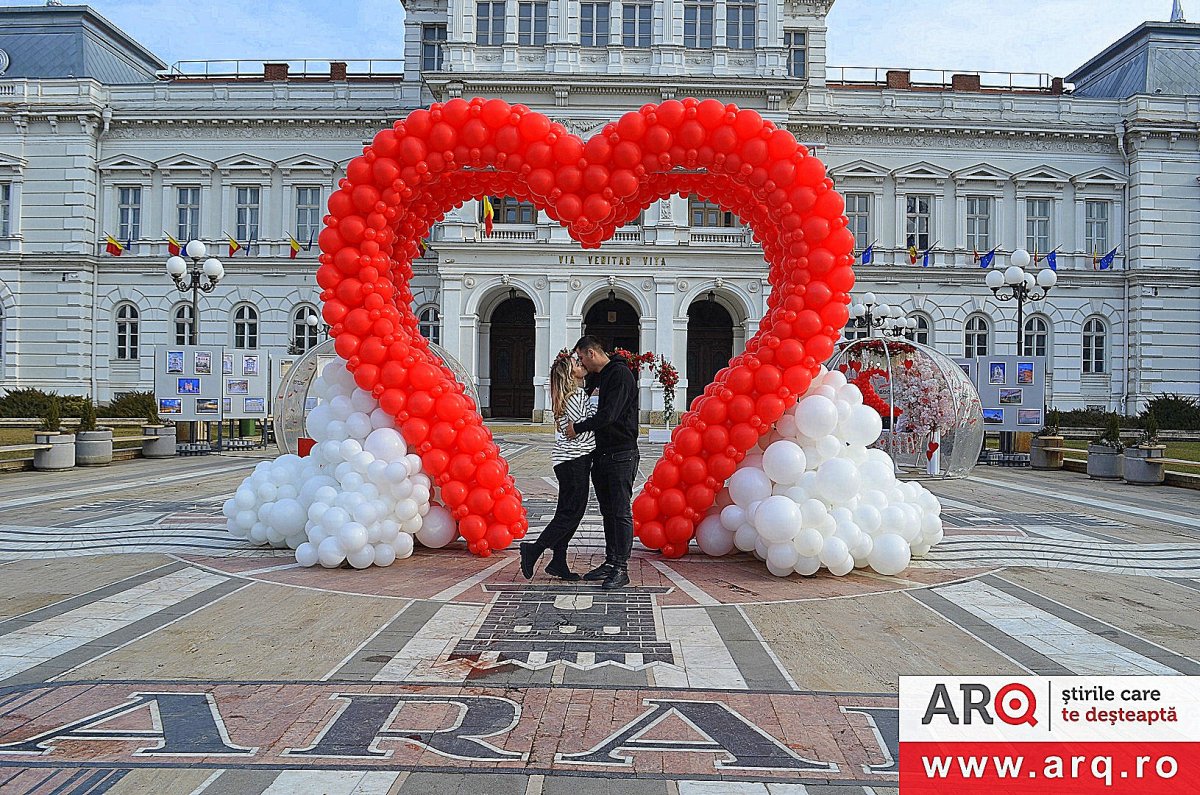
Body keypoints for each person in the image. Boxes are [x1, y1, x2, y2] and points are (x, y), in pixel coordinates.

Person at [566, 335, 639, 590]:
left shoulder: (619, 375)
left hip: (621, 453)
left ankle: (621, 567)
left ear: (592, 353)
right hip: (603, 453)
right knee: (608, 512)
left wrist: (579, 428)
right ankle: (610, 561)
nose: (580, 363)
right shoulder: (599, 377)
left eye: (581, 357)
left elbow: (608, 415)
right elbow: (585, 403)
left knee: (620, 511)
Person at [519, 351, 596, 581]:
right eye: (576, 363)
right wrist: (594, 402)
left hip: (570, 460)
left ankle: (558, 561)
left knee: (567, 512)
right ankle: (534, 550)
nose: (580, 364)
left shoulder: (573, 395)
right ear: (569, 373)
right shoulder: (574, 396)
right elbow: (582, 426)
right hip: (574, 459)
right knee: (572, 513)